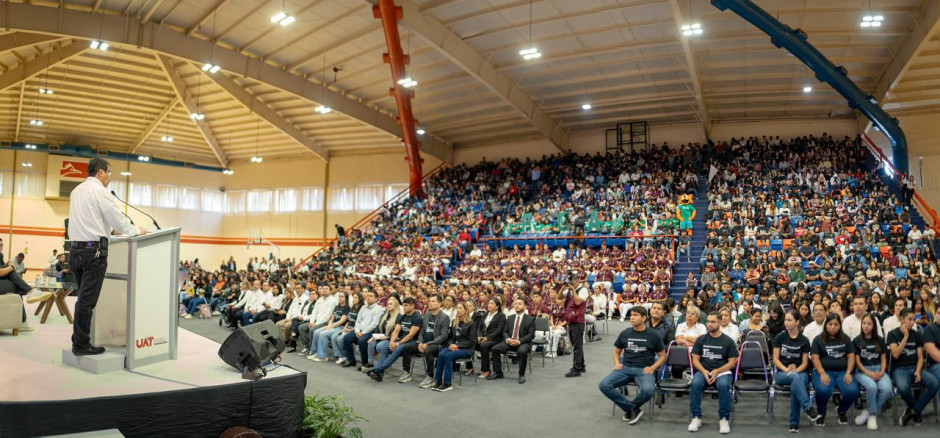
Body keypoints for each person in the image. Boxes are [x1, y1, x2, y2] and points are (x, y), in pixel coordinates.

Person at [67, 158, 145, 355]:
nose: (110, 177)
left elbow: (90, 220)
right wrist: (136, 230)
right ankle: (81, 344)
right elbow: (118, 220)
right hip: (94, 253)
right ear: (100, 172)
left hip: (75, 252)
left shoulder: (77, 191)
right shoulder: (101, 192)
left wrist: (110, 231)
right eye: (109, 172)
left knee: (82, 300)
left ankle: (78, 339)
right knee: (86, 301)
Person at [598, 306, 667, 425]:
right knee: (604, 385)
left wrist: (653, 367)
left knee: (648, 390)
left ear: (644, 318)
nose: (632, 318)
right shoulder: (625, 333)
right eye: (631, 315)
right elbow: (616, 351)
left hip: (643, 370)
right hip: (625, 368)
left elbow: (662, 356)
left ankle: (631, 408)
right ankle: (631, 408)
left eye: (635, 315)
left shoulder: (653, 335)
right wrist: (617, 363)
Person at [688, 312, 738, 434]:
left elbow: (732, 362)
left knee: (723, 386)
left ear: (720, 323)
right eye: (708, 321)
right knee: (694, 383)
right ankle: (696, 417)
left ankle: (724, 418)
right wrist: (704, 371)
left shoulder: (728, 341)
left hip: (722, 372)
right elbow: (695, 359)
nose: (709, 324)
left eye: (713, 322)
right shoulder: (701, 339)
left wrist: (718, 371)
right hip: (704, 371)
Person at [887, 308, 939, 426]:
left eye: (913, 319)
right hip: (899, 369)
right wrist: (905, 337)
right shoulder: (893, 334)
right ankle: (916, 411)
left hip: (914, 367)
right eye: (909, 319)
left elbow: (920, 357)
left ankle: (914, 411)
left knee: (934, 383)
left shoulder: (916, 335)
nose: (912, 322)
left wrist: (918, 371)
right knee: (903, 388)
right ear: (901, 319)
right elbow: (895, 355)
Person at [772, 309, 821, 433]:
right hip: (782, 373)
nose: (786, 323)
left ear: (797, 322)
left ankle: (794, 424)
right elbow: (775, 360)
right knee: (795, 379)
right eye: (786, 320)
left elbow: (805, 363)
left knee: (796, 384)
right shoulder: (780, 337)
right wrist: (787, 370)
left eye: (790, 320)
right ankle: (807, 407)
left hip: (801, 372)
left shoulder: (804, 340)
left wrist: (796, 371)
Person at [809, 313, 859, 426]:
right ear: (825, 325)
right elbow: (815, 357)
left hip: (843, 371)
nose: (832, 327)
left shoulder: (845, 338)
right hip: (823, 371)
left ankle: (841, 410)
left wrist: (849, 372)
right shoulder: (818, 339)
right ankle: (821, 413)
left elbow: (851, 356)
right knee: (823, 390)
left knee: (852, 391)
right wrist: (821, 372)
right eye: (830, 324)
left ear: (840, 326)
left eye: (836, 324)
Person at [368, 296, 423, 382]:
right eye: (403, 305)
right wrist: (392, 342)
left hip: (411, 342)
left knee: (397, 349)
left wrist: (397, 344)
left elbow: (411, 335)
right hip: (400, 339)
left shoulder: (417, 317)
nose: (404, 307)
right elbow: (396, 331)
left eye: (406, 305)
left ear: (412, 306)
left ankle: (377, 370)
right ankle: (379, 375)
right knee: (384, 347)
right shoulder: (402, 317)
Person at [853, 313, 891, 430]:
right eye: (864, 323)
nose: (866, 326)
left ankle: (868, 413)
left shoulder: (879, 340)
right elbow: (857, 361)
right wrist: (867, 372)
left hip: (878, 368)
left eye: (869, 324)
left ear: (873, 326)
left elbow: (884, 358)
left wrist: (882, 371)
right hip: (862, 371)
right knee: (872, 387)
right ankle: (873, 415)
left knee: (887, 388)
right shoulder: (856, 340)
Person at [403, 294, 451, 387]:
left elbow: (443, 336)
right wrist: (420, 342)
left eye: (433, 301)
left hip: (437, 345)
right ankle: (407, 372)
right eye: (430, 301)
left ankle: (430, 376)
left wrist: (427, 344)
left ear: (440, 303)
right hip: (424, 343)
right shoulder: (427, 315)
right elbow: (422, 331)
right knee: (406, 347)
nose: (430, 303)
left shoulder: (444, 317)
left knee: (428, 350)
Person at [431, 301, 477, 392]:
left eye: (460, 308)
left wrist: (457, 345)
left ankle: (448, 384)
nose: (458, 310)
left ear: (466, 310)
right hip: (454, 347)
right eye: (457, 308)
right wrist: (450, 344)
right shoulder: (454, 321)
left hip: (466, 349)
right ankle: (438, 381)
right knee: (440, 355)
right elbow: (450, 337)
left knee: (448, 356)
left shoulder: (471, 324)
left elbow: (472, 341)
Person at [489, 298, 536, 384]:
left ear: (525, 306)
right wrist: (508, 339)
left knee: (522, 351)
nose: (517, 305)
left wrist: (518, 341)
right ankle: (498, 372)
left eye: (520, 304)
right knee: (495, 349)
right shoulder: (510, 318)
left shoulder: (530, 319)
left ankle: (521, 374)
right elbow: (505, 332)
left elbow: (531, 335)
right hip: (510, 341)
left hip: (523, 342)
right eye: (515, 304)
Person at [340, 290, 384, 368]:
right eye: (368, 296)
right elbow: (358, 320)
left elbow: (374, 324)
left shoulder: (378, 309)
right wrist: (357, 331)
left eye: (371, 296)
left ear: (376, 298)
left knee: (362, 340)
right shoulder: (364, 307)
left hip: (370, 332)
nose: (369, 298)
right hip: (359, 330)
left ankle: (365, 363)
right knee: (346, 338)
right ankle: (351, 360)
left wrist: (363, 332)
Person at [307, 292, 349, 362]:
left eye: (342, 296)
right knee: (316, 332)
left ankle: (323, 356)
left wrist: (330, 327)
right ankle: (315, 352)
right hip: (333, 325)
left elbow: (341, 321)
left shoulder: (347, 308)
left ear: (346, 298)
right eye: (339, 296)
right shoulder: (337, 307)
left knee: (323, 334)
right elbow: (332, 318)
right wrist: (329, 325)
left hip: (340, 327)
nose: (340, 298)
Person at [564, 284, 589, 377]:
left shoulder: (583, 290)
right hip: (571, 320)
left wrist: (573, 290)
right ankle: (581, 365)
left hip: (578, 321)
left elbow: (578, 302)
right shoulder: (569, 291)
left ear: (577, 280)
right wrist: (563, 287)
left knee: (577, 346)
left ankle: (576, 369)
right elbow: (559, 297)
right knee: (577, 345)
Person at [477, 297, 506, 379]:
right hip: (483, 337)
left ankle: (486, 370)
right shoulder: (485, 314)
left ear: (497, 307)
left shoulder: (501, 316)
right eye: (489, 303)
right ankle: (469, 367)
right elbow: (479, 327)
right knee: (472, 342)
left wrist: (487, 338)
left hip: (496, 339)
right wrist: (479, 336)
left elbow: (499, 330)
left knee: (484, 345)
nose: (489, 305)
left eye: (492, 303)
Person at [333, 292, 362, 366]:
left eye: (356, 298)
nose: (354, 299)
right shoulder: (352, 308)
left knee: (340, 339)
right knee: (334, 337)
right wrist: (345, 327)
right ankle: (342, 356)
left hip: (355, 329)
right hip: (348, 327)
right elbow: (348, 320)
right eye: (353, 298)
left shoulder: (361, 309)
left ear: (360, 299)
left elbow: (361, 324)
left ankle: (346, 356)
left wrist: (349, 330)